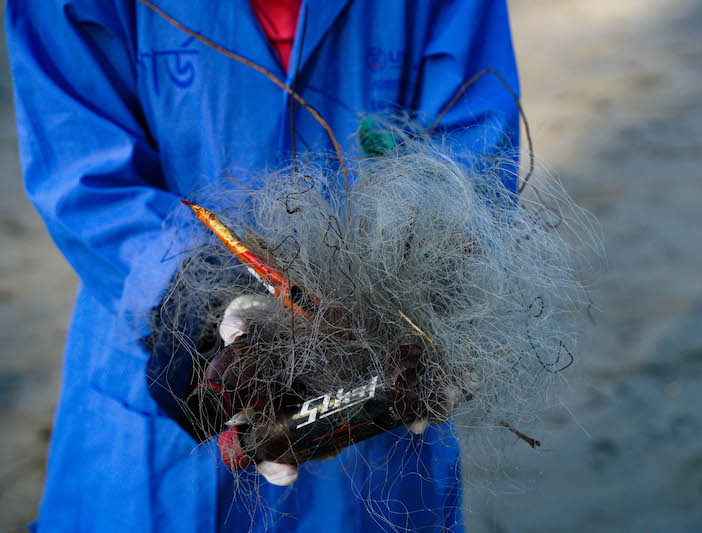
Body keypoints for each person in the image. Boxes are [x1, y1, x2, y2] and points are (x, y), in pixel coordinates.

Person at [6, 0, 519, 530]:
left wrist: (441, 295)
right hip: (154, 384)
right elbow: (84, 172)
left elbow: (473, 153)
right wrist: (207, 305)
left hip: (379, 414)